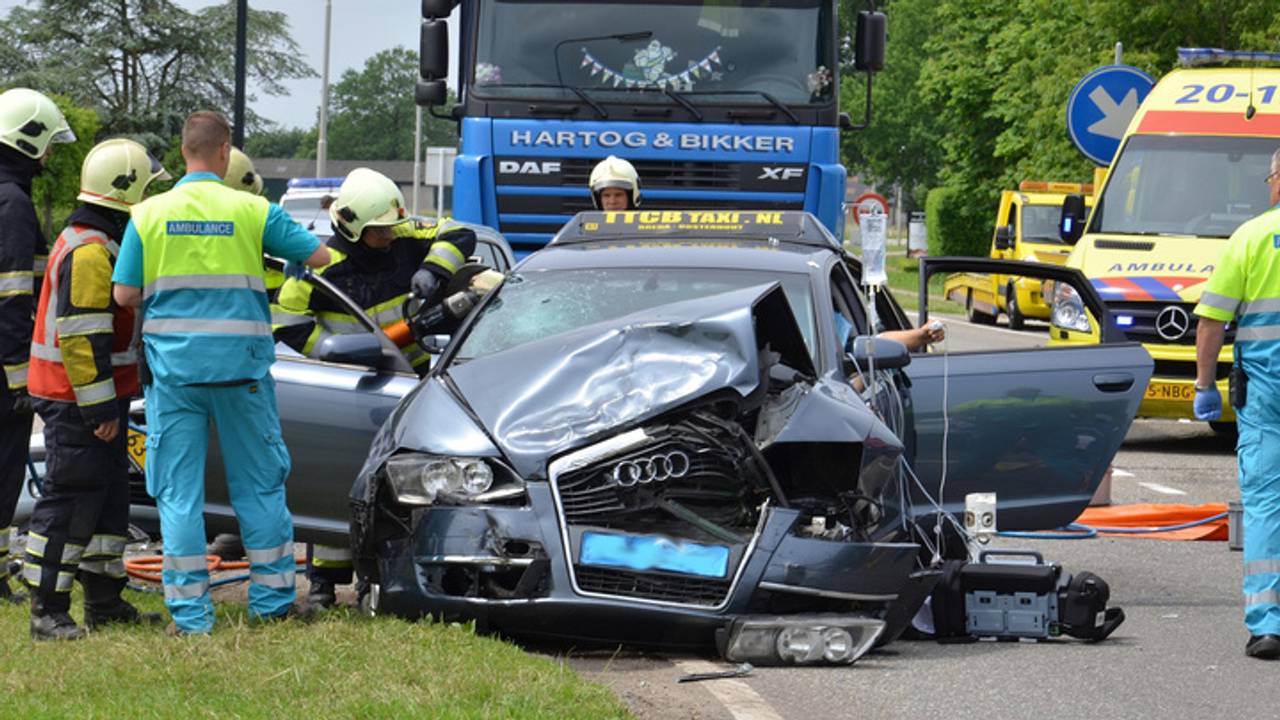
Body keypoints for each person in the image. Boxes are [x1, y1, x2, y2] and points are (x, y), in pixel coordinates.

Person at [111, 111, 330, 634]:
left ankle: (190, 617)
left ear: (184, 151)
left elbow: (123, 295)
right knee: (258, 489)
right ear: (225, 151)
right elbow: (319, 255)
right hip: (243, 377)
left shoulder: (147, 215)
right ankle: (273, 605)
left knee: (179, 495)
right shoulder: (254, 210)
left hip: (175, 376)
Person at [272, 167, 480, 609]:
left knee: (406, 485)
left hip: (415, 379)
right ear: (352, 226)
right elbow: (284, 320)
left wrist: (431, 269)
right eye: (378, 232)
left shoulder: (405, 236)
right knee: (345, 480)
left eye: (390, 228)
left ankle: (385, 574)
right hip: (352, 385)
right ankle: (325, 583)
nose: (388, 237)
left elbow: (461, 233)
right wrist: (329, 350)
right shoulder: (324, 267)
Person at [23, 139, 169, 639]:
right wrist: (99, 406)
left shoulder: (101, 241)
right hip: (77, 399)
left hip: (95, 395)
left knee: (108, 504)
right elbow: (82, 337)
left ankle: (105, 604)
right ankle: (48, 609)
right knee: (69, 504)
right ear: (122, 191)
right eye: (147, 189)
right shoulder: (90, 250)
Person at [1192, 146, 1280, 660]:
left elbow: (1211, 321)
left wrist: (1205, 384)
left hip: (1268, 391)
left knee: (1268, 504)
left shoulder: (1250, 237)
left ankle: (1268, 625)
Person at [0, 88, 76, 604]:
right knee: (3, 467)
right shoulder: (12, 202)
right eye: (47, 145)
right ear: (28, 141)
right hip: (1, 368)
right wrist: (18, 377)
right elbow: (11, 296)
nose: (49, 156)